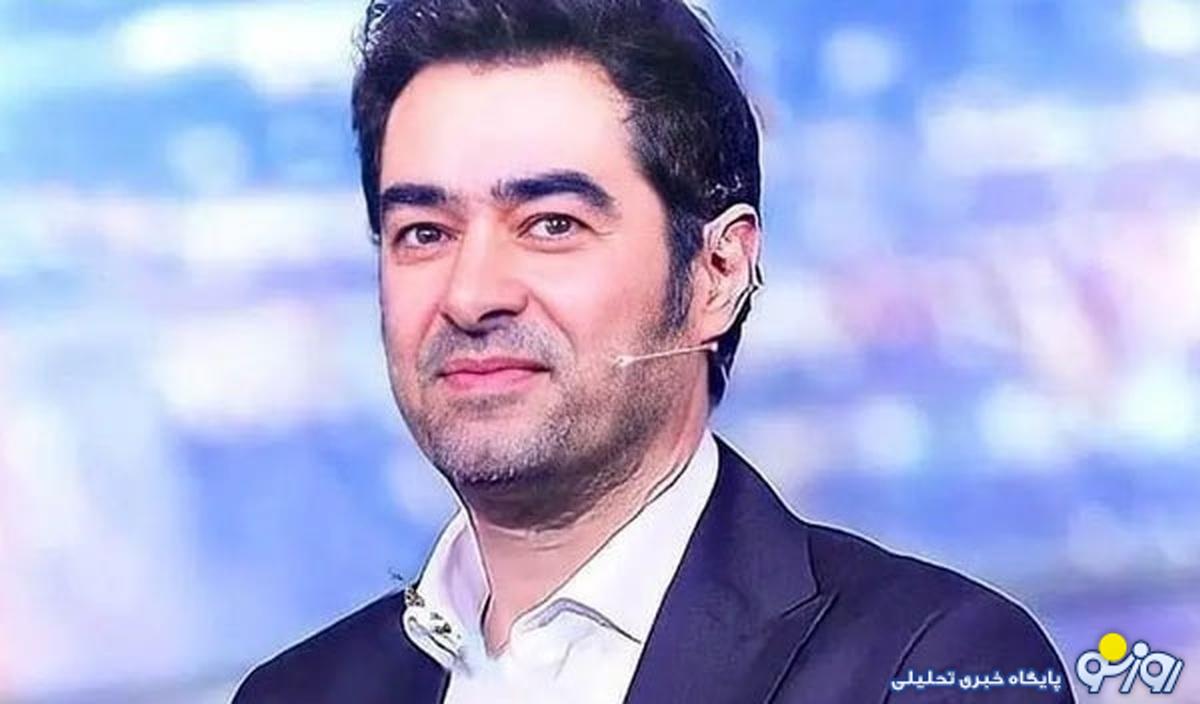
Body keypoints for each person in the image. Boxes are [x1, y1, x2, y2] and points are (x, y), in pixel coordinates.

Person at [233, 1, 1075, 702]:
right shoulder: (297, 692)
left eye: (551, 224)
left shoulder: (927, 666)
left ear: (717, 272)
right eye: (424, 232)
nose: (470, 294)